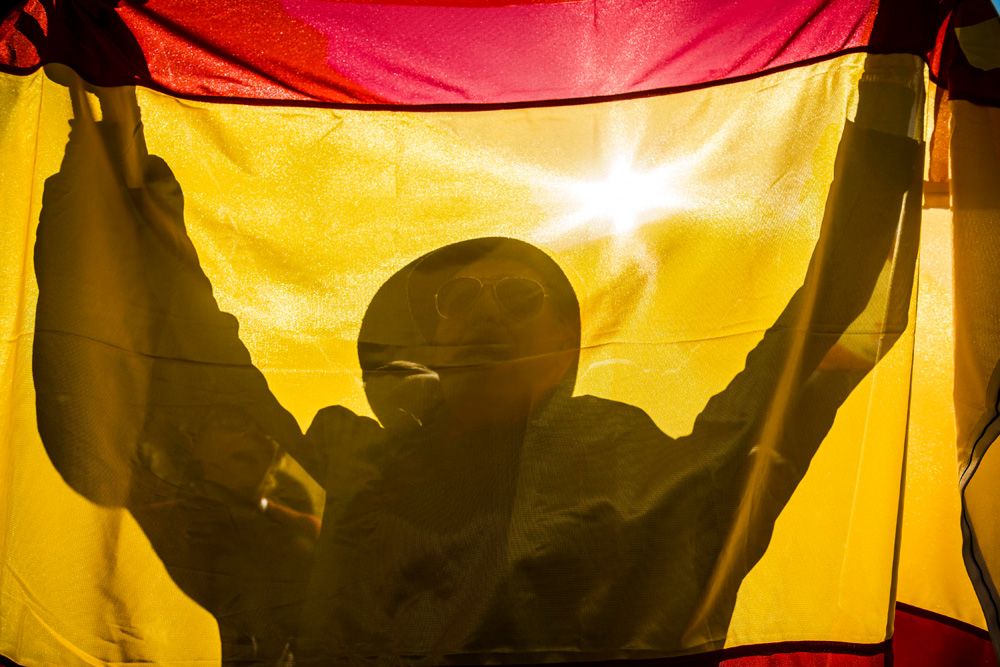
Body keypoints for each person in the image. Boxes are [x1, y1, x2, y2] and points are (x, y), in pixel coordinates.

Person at [33, 53, 924, 664]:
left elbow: (822, 334)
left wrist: (888, 85)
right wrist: (106, 144)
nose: (484, 315)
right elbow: (189, 374)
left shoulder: (663, 483)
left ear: (562, 346)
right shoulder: (332, 475)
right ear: (423, 345)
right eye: (459, 302)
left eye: (516, 297)